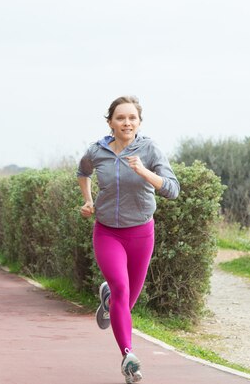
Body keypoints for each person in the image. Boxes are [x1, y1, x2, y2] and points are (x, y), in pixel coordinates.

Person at [77, 96, 180, 383]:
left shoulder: (149, 149)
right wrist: (88, 201)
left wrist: (144, 172)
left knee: (127, 300)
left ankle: (108, 299)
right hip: (107, 231)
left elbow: (173, 189)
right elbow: (82, 172)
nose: (127, 122)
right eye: (120, 118)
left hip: (141, 233)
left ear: (139, 122)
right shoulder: (97, 151)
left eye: (132, 118)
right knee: (122, 289)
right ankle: (129, 357)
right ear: (110, 122)